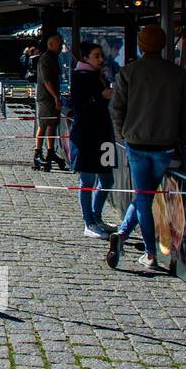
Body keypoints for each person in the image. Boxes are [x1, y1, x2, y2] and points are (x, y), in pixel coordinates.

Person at [107, 24, 186, 271]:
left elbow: (116, 108)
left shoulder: (128, 72)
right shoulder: (177, 74)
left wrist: (122, 133)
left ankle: (149, 253)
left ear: (141, 46)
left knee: (144, 196)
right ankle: (124, 236)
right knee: (145, 195)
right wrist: (181, 140)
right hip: (165, 145)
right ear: (163, 45)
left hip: (136, 143)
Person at [69, 42, 117, 239]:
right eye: (96, 56)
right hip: (87, 137)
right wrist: (100, 96)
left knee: (107, 178)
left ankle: (97, 218)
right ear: (85, 58)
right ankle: (88, 222)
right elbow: (79, 108)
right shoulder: (80, 77)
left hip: (104, 134)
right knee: (87, 180)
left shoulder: (100, 76)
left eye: (101, 55)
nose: (101, 59)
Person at [33, 32, 66, 171]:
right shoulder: (46, 58)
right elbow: (47, 80)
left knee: (52, 125)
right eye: (59, 44)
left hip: (52, 97)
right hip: (46, 97)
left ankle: (50, 152)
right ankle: (37, 153)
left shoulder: (54, 58)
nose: (61, 47)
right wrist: (55, 97)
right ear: (51, 44)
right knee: (44, 124)